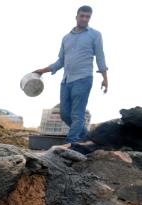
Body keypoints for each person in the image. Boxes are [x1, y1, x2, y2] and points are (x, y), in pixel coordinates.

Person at [33, 5, 108, 146]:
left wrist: (105, 78)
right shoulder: (66, 38)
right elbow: (60, 61)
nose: (85, 19)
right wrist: (43, 70)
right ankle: (87, 137)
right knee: (64, 114)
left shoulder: (95, 35)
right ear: (76, 17)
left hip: (83, 79)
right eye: (82, 16)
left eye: (88, 17)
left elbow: (100, 57)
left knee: (77, 114)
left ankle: (71, 144)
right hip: (66, 80)